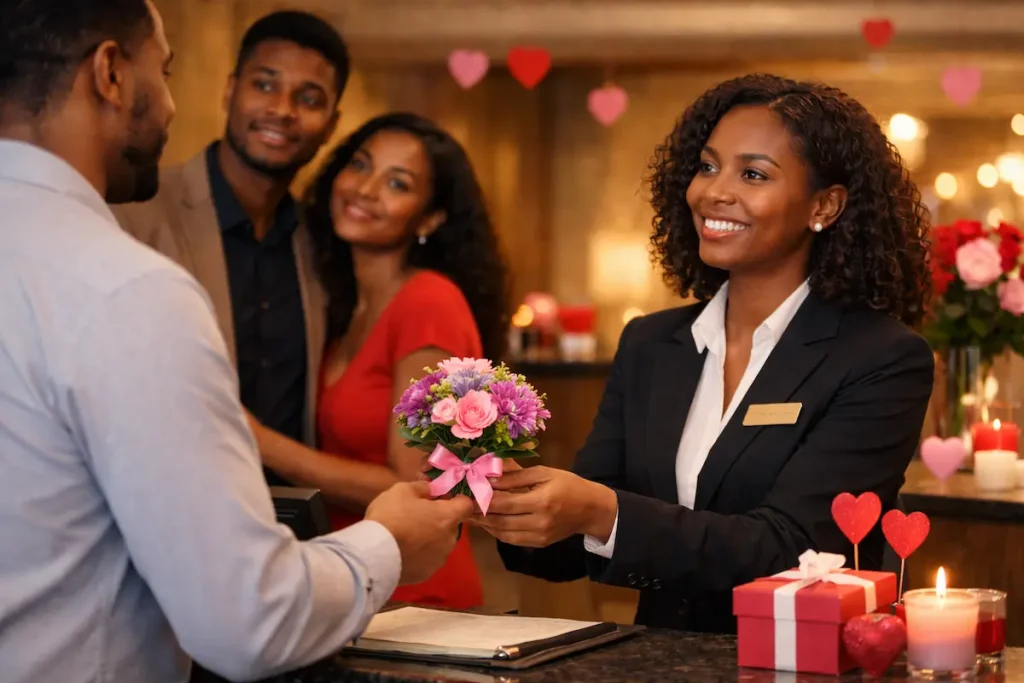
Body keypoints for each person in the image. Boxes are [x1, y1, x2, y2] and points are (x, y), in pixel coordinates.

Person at [0, 3, 471, 683]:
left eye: (309, 97)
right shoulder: (127, 280)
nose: (167, 103)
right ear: (109, 73)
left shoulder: (325, 250)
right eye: (162, 71)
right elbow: (246, 617)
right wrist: (390, 542)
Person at [477, 73, 935, 633]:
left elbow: (798, 550)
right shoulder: (651, 345)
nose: (713, 192)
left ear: (826, 206)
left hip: (802, 665)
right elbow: (578, 547)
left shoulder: (881, 358)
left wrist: (602, 511)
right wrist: (510, 503)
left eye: (753, 174)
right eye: (708, 166)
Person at [247, 112, 511, 609]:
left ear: (429, 218)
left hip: (415, 595)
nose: (365, 189)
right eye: (359, 165)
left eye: (397, 183)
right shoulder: (344, 306)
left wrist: (259, 442)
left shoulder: (428, 302)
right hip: (356, 578)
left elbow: (417, 483)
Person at [113, 10, 348, 485]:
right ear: (230, 90)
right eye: (264, 85)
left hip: (291, 528)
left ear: (331, 123)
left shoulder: (323, 243)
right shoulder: (134, 212)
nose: (282, 109)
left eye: (309, 98)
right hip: (160, 507)